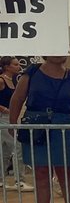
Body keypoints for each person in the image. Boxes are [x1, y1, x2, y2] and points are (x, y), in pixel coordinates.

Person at [7, 55, 70, 203]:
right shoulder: (32, 71)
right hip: (36, 123)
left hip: (64, 124)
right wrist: (12, 123)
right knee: (40, 170)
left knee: (66, 169)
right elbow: (18, 98)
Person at [1, 56, 33, 190]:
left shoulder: (12, 81)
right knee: (17, 146)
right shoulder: (1, 80)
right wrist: (4, 109)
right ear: (7, 66)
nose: (18, 66)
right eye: (15, 64)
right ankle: (19, 180)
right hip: (3, 117)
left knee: (5, 150)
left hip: (9, 117)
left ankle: (1, 179)